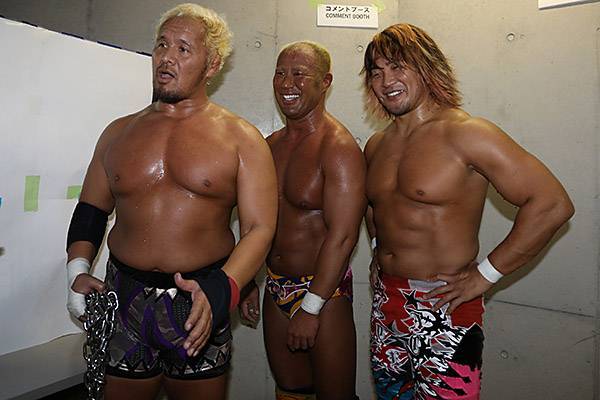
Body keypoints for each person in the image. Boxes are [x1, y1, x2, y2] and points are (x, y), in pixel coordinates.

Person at [65, 4, 277, 400]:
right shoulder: (117, 133)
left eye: (183, 48)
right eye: (162, 45)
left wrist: (225, 288)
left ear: (212, 65)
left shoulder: (242, 139)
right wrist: (76, 270)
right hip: (123, 298)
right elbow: (91, 210)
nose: (166, 57)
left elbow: (259, 229)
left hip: (200, 300)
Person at [362, 24, 574, 399]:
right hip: (386, 303)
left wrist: (485, 275)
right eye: (376, 72)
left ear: (426, 66)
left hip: (445, 303)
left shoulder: (467, 133)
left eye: (397, 67)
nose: (386, 81)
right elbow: (374, 206)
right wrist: (378, 246)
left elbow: (552, 204)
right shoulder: (377, 145)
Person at [239, 41, 366, 400]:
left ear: (325, 82)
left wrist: (311, 307)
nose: (286, 83)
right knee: (290, 391)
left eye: (299, 74)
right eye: (280, 73)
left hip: (324, 293)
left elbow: (343, 236)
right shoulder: (269, 145)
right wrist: (247, 279)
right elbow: (255, 222)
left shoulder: (338, 148)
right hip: (276, 285)